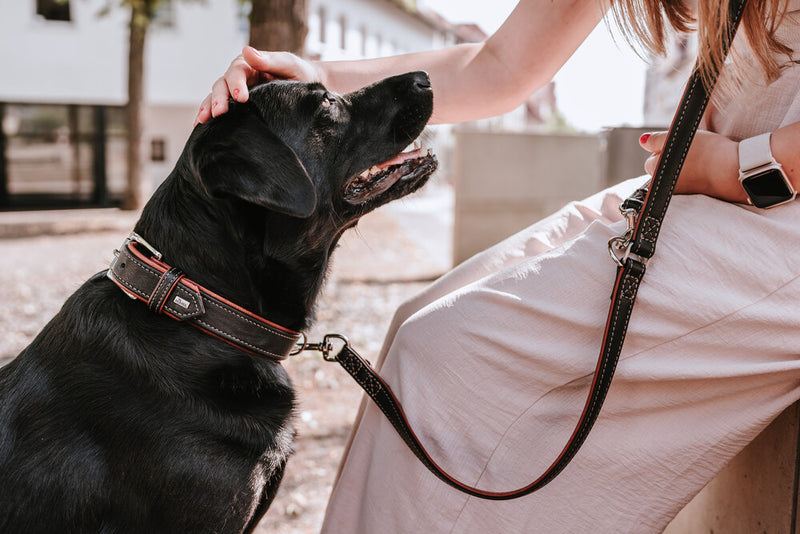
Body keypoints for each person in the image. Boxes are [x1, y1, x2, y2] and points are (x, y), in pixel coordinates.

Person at [199, 0, 800, 531]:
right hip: (702, 185)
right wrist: (320, 78)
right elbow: (501, 64)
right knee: (418, 326)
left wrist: (744, 167)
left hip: (773, 210)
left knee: (451, 355)